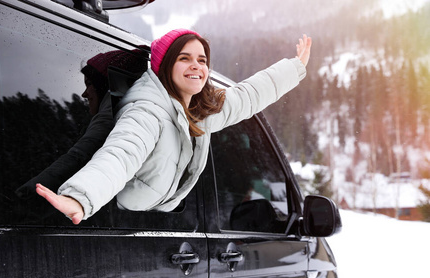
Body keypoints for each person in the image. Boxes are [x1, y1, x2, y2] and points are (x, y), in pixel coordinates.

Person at [36, 29, 312, 225]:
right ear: (164, 65)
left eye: (202, 60)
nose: (196, 66)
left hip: (157, 217)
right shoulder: (147, 110)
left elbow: (246, 96)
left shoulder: (196, 109)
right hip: (128, 222)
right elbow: (120, 155)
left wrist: (295, 68)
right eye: (184, 58)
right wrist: (81, 198)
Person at [16, 49, 148, 197]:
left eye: (89, 84)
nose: (84, 94)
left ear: (104, 84)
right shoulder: (133, 111)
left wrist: (24, 198)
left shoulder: (111, 116)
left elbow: (78, 159)